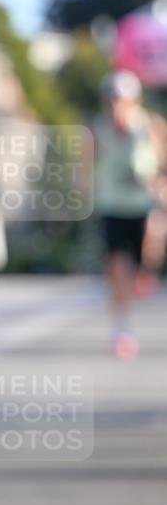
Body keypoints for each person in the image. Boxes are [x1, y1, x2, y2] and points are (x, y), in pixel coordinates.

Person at [94, 71, 161, 359]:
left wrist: (159, 185)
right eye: (112, 100)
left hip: (144, 206)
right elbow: (84, 165)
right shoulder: (97, 130)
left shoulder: (150, 125)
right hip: (113, 207)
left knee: (156, 232)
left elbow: (162, 160)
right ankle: (122, 329)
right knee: (119, 269)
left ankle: (146, 273)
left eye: (121, 100)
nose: (116, 106)